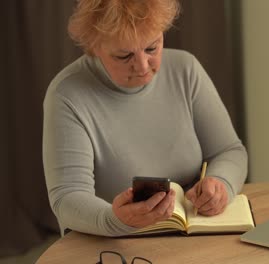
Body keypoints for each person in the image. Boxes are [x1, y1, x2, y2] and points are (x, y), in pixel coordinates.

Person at [42, 0, 247, 237]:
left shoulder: (185, 70)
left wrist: (220, 184)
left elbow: (229, 150)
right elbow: (67, 197)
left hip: (194, 235)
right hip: (111, 245)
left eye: (152, 48)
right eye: (124, 55)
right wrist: (114, 220)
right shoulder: (67, 95)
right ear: (94, 47)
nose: (141, 66)